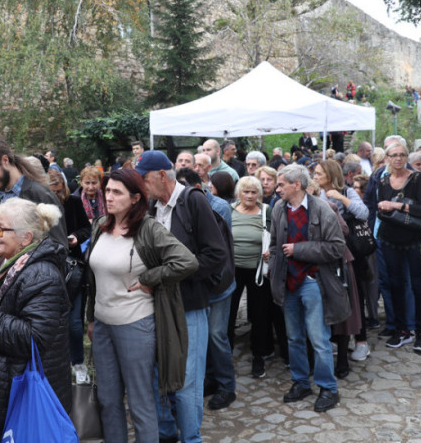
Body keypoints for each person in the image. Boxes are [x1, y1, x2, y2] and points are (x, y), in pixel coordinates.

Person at [86, 169, 197, 443]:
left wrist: (150, 278)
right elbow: (93, 278)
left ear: (135, 198)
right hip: (103, 325)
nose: (109, 197)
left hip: (135, 325)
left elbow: (187, 261)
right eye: (107, 191)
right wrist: (91, 318)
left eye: (117, 192)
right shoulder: (100, 224)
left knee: (140, 402)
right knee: (108, 400)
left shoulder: (149, 229)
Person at [136, 151, 233, 436]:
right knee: (158, 374)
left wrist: (170, 274)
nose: (141, 186)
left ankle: (191, 437)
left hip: (190, 304)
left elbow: (216, 254)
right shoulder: (151, 207)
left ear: (161, 175)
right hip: (156, 304)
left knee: (188, 379)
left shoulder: (193, 200)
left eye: (144, 179)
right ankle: (167, 432)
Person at [0, 198, 71, 442]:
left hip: (21, 392)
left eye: (2, 230)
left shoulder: (41, 274)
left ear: (26, 238)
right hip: (6, 384)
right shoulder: (14, 263)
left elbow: (34, 337)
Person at [267, 164, 349, 413]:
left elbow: (337, 247)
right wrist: (274, 272)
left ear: (297, 185)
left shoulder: (323, 208)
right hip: (288, 282)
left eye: (281, 184)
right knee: (294, 337)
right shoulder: (278, 208)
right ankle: (301, 382)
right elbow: (274, 245)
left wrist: (299, 250)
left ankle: (328, 388)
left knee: (319, 339)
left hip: (314, 282)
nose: (277, 189)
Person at [375, 141, 421, 353]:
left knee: (418, 286)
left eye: (402, 154)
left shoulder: (417, 179)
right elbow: (380, 209)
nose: (398, 158)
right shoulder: (384, 181)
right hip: (390, 238)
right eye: (394, 155)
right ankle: (402, 330)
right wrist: (384, 208)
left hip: (414, 239)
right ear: (387, 158)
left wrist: (397, 205)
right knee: (395, 285)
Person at [227, 176, 286, 380]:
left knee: (260, 316)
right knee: (229, 314)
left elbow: (277, 235)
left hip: (258, 271)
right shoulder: (230, 211)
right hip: (233, 270)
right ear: (239, 193)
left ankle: (258, 357)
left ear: (259, 194)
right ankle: (225, 358)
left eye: (254, 192)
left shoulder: (267, 211)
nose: (250, 196)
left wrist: (271, 250)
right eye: (246, 192)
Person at [0, 135, 68, 255]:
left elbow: (59, 249)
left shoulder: (39, 194)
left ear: (5, 160)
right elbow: (7, 240)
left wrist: (7, 245)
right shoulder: (0, 196)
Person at [314, 160, 370, 370]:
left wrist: (340, 198)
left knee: (356, 297)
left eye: (319, 174)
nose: (315, 177)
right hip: (329, 255)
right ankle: (337, 339)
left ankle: (361, 340)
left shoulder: (347, 191)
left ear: (330, 175)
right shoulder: (316, 193)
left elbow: (363, 213)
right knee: (333, 297)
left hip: (351, 252)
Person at [47, 167, 93, 382]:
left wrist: (75, 237)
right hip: (48, 268)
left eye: (59, 190)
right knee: (52, 321)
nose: (57, 195)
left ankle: (78, 362)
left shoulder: (73, 202)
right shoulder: (38, 207)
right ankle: (56, 364)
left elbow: (86, 228)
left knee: (74, 323)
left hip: (72, 269)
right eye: (53, 191)